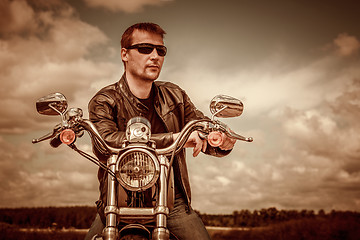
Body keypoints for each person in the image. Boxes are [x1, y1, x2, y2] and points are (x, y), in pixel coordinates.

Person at [85, 22, 236, 240]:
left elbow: (200, 126)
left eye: (160, 50)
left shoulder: (175, 95)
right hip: (116, 201)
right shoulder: (104, 100)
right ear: (124, 54)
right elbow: (106, 141)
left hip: (171, 200)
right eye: (145, 48)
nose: (155, 55)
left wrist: (218, 139)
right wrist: (176, 138)